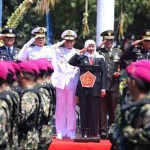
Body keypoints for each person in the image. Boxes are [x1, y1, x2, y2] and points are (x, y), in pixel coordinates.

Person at [69, 39, 107, 138]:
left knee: (95, 110)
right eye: (89, 47)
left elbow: (104, 74)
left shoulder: (100, 58)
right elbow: (71, 62)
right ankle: (84, 132)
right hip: (83, 88)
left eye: (92, 46)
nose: (91, 49)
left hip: (96, 88)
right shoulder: (81, 58)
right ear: (86, 47)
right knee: (84, 110)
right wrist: (80, 52)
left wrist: (103, 89)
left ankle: (95, 132)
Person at [109, 60, 150, 150]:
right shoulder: (131, 105)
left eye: (129, 78)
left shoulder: (147, 108)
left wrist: (125, 131)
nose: (126, 82)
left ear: (134, 82)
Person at [53, 29, 79, 140]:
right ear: (64, 41)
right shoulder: (58, 51)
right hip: (60, 82)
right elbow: (51, 48)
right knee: (60, 108)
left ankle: (71, 131)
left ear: (74, 42)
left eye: (71, 41)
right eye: (66, 41)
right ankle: (60, 131)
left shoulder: (77, 53)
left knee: (71, 108)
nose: (69, 43)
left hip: (72, 83)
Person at [97, 30, 123, 139]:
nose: (109, 42)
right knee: (102, 110)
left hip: (114, 85)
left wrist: (120, 73)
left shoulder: (119, 52)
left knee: (113, 110)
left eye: (111, 40)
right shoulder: (98, 52)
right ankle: (103, 131)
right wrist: (99, 47)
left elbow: (126, 67)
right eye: (107, 40)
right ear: (103, 41)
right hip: (102, 86)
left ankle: (113, 131)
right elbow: (89, 54)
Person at [17, 61, 40, 150]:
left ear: (21, 75)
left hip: (26, 141)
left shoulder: (28, 96)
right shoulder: (32, 92)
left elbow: (20, 118)